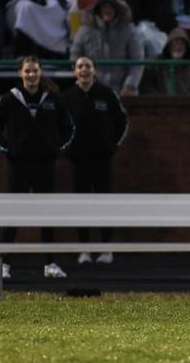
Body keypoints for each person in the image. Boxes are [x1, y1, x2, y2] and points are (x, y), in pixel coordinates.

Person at [0, 55, 75, 280]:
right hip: (18, 167)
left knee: (48, 216)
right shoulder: (9, 99)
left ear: (40, 72)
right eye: (28, 71)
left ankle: (50, 264)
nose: (32, 75)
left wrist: (55, 149)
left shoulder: (54, 99)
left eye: (35, 71)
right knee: (12, 215)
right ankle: (3, 264)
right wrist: (8, 150)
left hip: (46, 166)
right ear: (20, 73)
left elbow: (69, 129)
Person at [62, 56, 129, 266]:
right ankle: (84, 250)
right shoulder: (66, 97)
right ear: (74, 71)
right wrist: (67, 149)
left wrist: (112, 147)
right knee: (80, 205)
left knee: (104, 204)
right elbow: (57, 128)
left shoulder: (106, 94)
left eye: (88, 66)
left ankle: (106, 249)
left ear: (95, 71)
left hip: (102, 160)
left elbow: (122, 122)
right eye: (80, 67)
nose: (84, 70)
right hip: (78, 161)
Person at [70, 0, 144, 97]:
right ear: (98, 10)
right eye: (104, 7)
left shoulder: (129, 31)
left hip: (122, 90)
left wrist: (130, 86)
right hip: (91, 88)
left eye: (110, 7)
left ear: (116, 10)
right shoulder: (85, 31)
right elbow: (75, 57)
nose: (107, 10)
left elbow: (137, 60)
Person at [141, 27, 190, 95]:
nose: (178, 46)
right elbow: (147, 86)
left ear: (186, 47)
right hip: (162, 105)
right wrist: (160, 100)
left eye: (182, 43)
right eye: (176, 42)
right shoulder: (157, 64)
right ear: (169, 46)